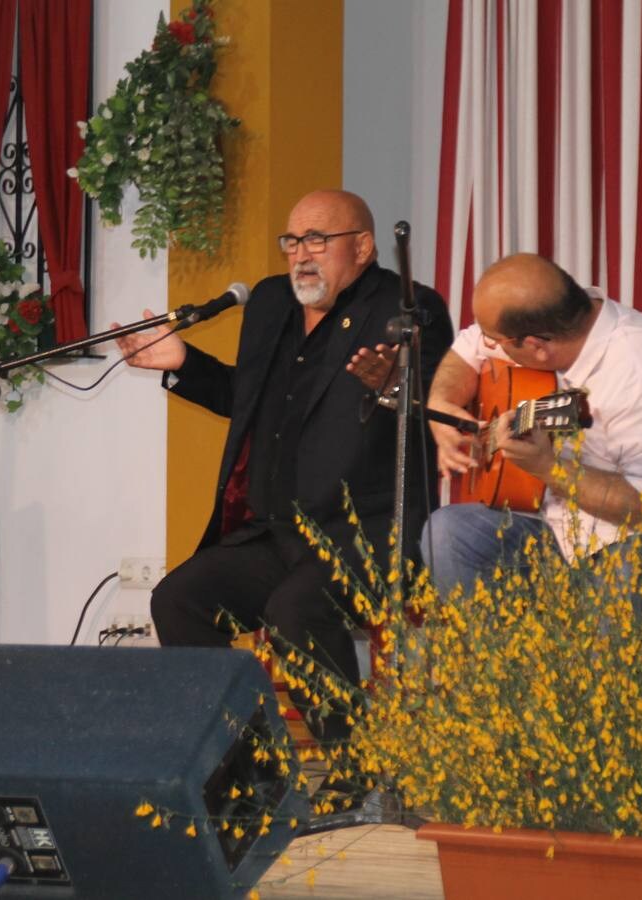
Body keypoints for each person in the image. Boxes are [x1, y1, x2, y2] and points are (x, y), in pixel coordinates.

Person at [113, 189, 453, 744]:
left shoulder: (406, 308)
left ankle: (355, 768)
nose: (301, 254)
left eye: (317, 240)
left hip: (366, 531)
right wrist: (183, 362)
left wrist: (392, 386)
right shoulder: (272, 303)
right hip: (277, 532)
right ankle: (251, 762)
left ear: (363, 247)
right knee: (178, 599)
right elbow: (246, 400)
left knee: (294, 610)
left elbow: (438, 410)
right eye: (291, 241)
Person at [420, 253, 642, 596]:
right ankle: (515, 652)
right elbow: (468, 348)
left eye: (495, 340)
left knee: (628, 566)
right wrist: (441, 405)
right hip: (575, 545)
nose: (489, 345)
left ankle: (569, 649)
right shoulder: (556, 320)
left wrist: (548, 468)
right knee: (449, 532)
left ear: (537, 347)